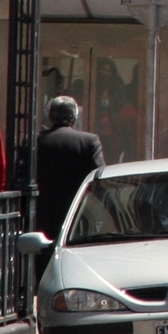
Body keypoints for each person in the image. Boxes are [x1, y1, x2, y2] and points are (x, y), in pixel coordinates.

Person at [34, 96, 105, 238]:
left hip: (41, 212)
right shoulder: (89, 141)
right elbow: (99, 175)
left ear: (50, 116)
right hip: (75, 212)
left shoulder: (36, 140)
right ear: (75, 117)